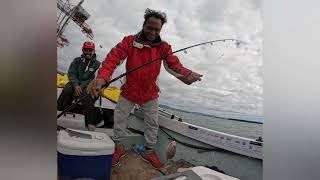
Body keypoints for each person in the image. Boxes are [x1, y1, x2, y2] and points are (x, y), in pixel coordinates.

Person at [88, 8, 203, 168]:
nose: (153, 32)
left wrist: (188, 74)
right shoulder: (128, 41)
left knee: (152, 123)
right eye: (150, 27)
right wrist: (102, 77)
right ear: (143, 25)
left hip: (150, 94)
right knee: (120, 118)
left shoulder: (164, 47)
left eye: (157, 29)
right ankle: (119, 147)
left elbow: (173, 64)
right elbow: (113, 58)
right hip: (129, 91)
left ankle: (149, 152)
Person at [57, 41, 101, 131]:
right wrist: (76, 85)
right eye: (85, 50)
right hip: (75, 83)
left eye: (90, 50)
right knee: (67, 90)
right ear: (82, 50)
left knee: (87, 94)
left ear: (94, 51)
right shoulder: (76, 60)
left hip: (88, 85)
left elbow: (93, 78)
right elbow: (71, 74)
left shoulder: (97, 64)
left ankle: (89, 122)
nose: (88, 52)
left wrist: (81, 87)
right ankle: (60, 111)